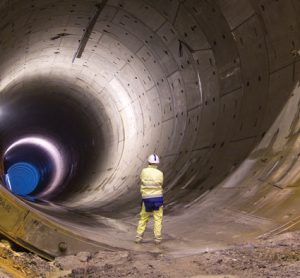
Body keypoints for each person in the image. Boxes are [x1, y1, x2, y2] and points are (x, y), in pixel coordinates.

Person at [135, 154, 164, 244]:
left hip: (147, 199)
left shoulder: (144, 171)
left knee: (143, 218)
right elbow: (161, 183)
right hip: (158, 199)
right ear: (157, 163)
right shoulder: (160, 173)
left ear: (148, 162)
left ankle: (138, 237)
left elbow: (141, 180)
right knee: (158, 219)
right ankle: (157, 239)